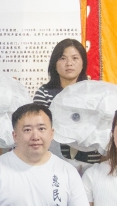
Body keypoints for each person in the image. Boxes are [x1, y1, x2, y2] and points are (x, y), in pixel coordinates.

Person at [32, 38, 101, 167]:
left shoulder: (95, 93)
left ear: (83, 63)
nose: (69, 63)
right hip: (54, 163)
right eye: (63, 58)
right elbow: (39, 128)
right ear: (54, 63)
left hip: (93, 162)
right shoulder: (44, 93)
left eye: (75, 58)